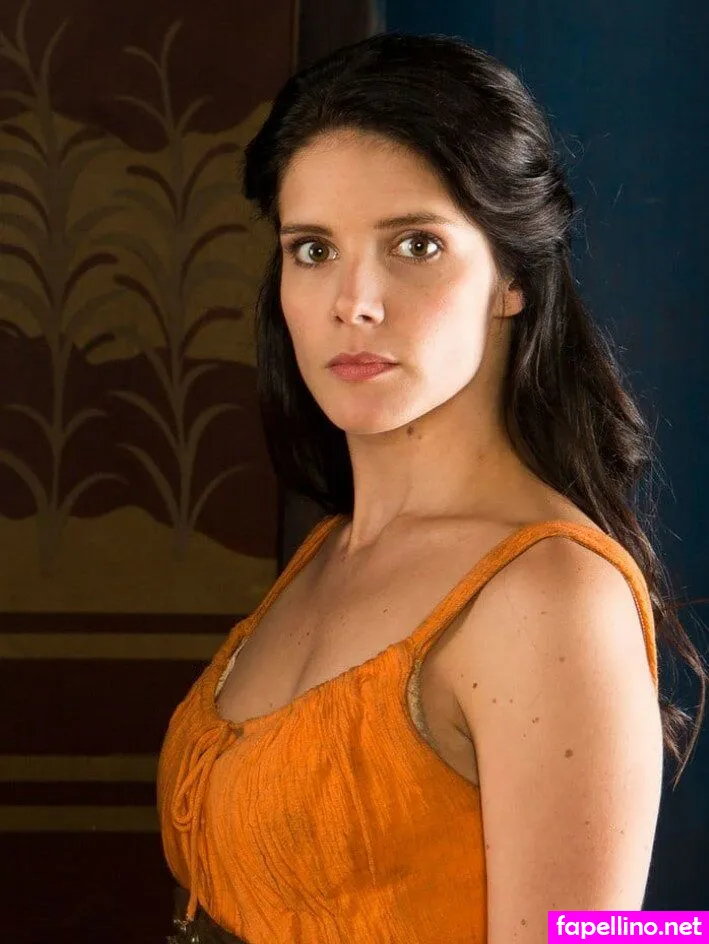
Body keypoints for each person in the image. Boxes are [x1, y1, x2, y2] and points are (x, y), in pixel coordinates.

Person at [157, 31, 707, 944]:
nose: (354, 302)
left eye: (415, 244)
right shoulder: (332, 548)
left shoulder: (549, 596)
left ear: (512, 278)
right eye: (312, 249)